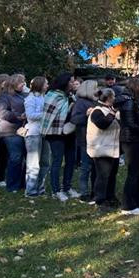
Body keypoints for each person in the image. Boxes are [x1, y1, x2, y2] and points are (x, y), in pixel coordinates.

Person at [41, 72, 78, 201]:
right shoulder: (53, 96)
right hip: (55, 132)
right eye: (71, 81)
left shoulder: (70, 96)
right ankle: (55, 190)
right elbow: (48, 115)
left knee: (71, 160)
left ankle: (67, 187)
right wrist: (69, 108)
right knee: (57, 161)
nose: (73, 84)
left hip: (70, 131)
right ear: (65, 82)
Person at [87, 88, 121, 213]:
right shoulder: (97, 111)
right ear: (109, 98)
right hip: (100, 149)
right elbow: (103, 124)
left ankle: (110, 197)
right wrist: (113, 113)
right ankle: (100, 200)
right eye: (113, 97)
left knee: (111, 175)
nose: (115, 99)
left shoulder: (108, 110)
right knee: (103, 176)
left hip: (112, 149)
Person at [119, 77, 139, 215]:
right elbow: (130, 124)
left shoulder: (132, 101)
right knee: (134, 172)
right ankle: (128, 206)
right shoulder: (128, 102)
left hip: (135, 139)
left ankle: (138, 202)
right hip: (130, 140)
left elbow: (138, 118)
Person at [0, 73, 27, 193]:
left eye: (24, 81)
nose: (23, 84)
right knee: (15, 157)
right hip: (10, 131)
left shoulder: (24, 95)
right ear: (14, 83)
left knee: (25, 157)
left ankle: (22, 183)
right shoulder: (5, 96)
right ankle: (12, 185)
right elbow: (0, 112)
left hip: (23, 130)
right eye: (21, 82)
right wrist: (18, 116)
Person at [70, 79, 99, 201]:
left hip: (96, 137)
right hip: (85, 138)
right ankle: (84, 192)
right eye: (95, 87)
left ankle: (95, 190)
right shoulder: (81, 102)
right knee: (86, 166)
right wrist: (86, 115)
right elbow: (74, 119)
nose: (97, 90)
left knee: (95, 167)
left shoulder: (95, 101)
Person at [23, 76, 50, 197]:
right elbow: (30, 115)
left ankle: (40, 188)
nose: (47, 86)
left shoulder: (44, 97)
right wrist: (46, 114)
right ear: (40, 85)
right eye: (46, 84)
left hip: (45, 132)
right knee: (33, 163)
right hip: (33, 133)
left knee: (45, 162)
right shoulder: (30, 98)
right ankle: (31, 190)